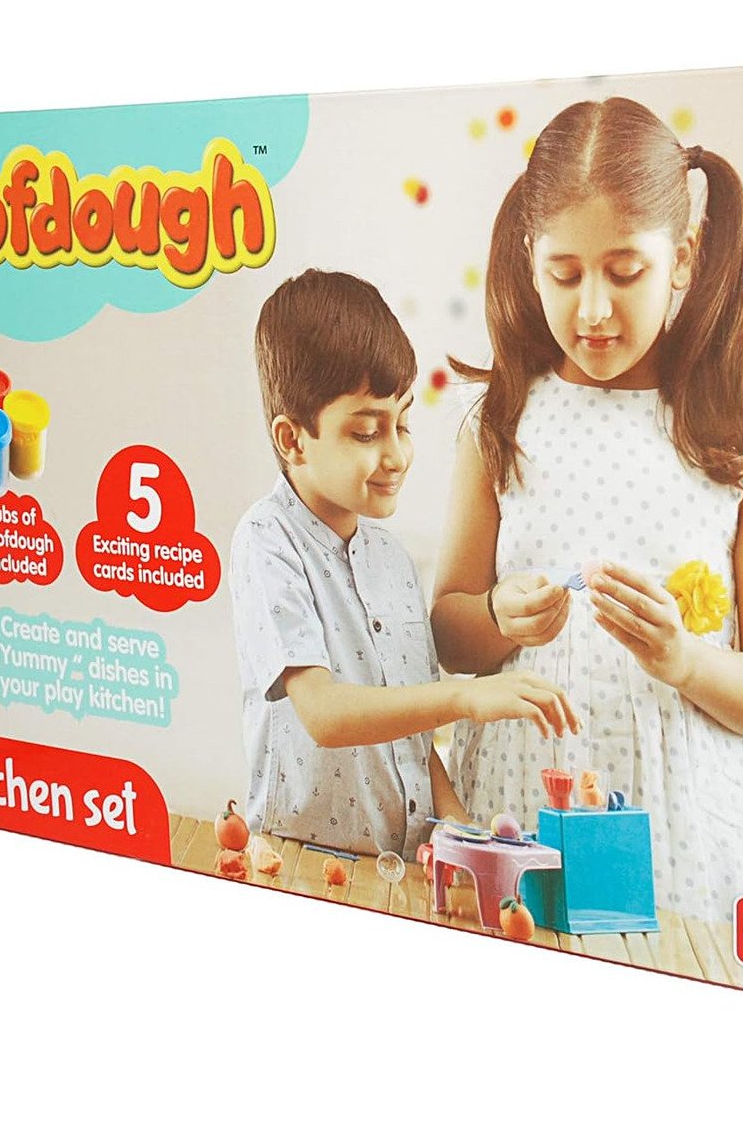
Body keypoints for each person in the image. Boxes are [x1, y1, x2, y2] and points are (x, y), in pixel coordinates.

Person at [431, 98, 743, 922]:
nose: (594, 310)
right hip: (514, 806)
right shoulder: (499, 424)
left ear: (682, 259)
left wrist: (687, 661)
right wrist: (497, 616)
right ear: (530, 260)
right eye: (565, 274)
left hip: (691, 835)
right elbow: (450, 634)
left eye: (625, 271)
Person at [230, 269, 578, 860]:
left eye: (404, 423)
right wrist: (462, 700)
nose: (396, 454)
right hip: (302, 866)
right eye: (367, 432)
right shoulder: (266, 542)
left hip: (405, 870)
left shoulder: (393, 560)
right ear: (293, 440)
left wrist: (464, 832)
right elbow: (324, 713)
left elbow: (412, 738)